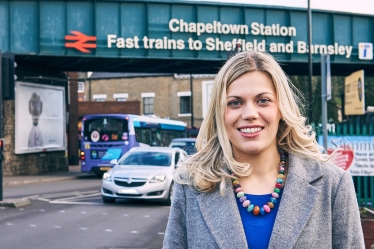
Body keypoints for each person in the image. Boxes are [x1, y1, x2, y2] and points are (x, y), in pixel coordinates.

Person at [163, 51, 364, 249]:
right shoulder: (191, 184)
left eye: (263, 100)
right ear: (219, 114)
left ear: (281, 109)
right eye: (235, 103)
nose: (250, 113)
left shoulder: (333, 184)